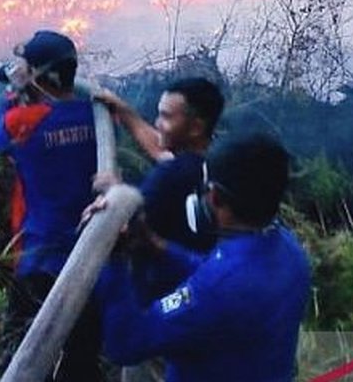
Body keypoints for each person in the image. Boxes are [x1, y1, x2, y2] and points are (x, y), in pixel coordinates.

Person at [95, 133, 312, 382]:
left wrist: (113, 258)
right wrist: (157, 245)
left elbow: (127, 344)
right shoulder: (288, 249)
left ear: (215, 196)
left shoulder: (216, 289)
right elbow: (216, 274)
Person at [0, 29, 103, 382]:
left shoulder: (23, 120)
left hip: (39, 258)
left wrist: (11, 94)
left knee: (20, 355)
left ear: (41, 76)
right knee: (81, 361)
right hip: (91, 258)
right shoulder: (92, 116)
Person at [96, 78, 224, 254]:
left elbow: (125, 227)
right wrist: (125, 113)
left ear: (196, 127)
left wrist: (115, 191)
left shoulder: (169, 176)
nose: (157, 123)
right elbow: (162, 152)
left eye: (166, 116)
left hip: (167, 277)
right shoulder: (220, 161)